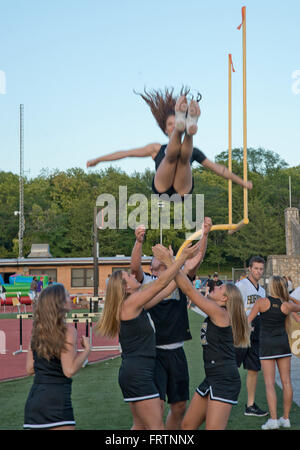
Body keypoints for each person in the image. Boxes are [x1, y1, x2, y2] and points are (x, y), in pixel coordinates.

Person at [95, 241, 200, 430]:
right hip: (138, 375)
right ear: (125, 288)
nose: (134, 274)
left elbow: (167, 287)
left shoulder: (136, 304)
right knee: (156, 429)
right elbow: (160, 282)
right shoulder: (131, 303)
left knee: (141, 426)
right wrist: (180, 258)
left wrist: (180, 267)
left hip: (136, 372)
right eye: (129, 276)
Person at [86, 87, 252, 198]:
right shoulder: (155, 148)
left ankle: (188, 131)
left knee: (184, 158)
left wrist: (242, 182)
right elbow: (125, 153)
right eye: (171, 125)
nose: (171, 127)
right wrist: (99, 159)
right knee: (170, 156)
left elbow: (219, 169)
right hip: (162, 187)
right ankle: (185, 130)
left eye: (175, 124)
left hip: (182, 189)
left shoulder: (194, 152)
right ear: (165, 130)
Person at [152, 244, 250, 430]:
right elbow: (186, 286)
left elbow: (189, 291)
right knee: (187, 427)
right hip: (211, 377)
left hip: (224, 379)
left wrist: (169, 261)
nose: (217, 286)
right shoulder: (216, 311)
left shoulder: (221, 314)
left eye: (221, 288)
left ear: (225, 300)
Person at [129, 218, 212, 429]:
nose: (159, 270)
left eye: (163, 266)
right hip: (154, 352)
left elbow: (197, 259)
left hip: (177, 351)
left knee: (179, 407)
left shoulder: (179, 277)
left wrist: (205, 234)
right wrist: (138, 242)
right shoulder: (147, 282)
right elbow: (134, 267)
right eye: (156, 267)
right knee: (154, 408)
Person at [24, 284, 91, 430]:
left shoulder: (37, 331)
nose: (70, 298)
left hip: (34, 402)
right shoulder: (67, 330)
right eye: (67, 295)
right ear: (59, 303)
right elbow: (69, 370)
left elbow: (29, 368)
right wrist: (87, 350)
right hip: (57, 400)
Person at [248, 276, 300, 429]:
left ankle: (274, 420)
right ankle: (286, 418)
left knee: (270, 384)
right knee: (287, 381)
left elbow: (248, 320)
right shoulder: (287, 305)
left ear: (271, 286)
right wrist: (289, 297)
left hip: (267, 345)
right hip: (283, 344)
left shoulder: (261, 302)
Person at [235, 256, 268, 417]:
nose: (259, 272)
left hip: (256, 335)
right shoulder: (240, 286)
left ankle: (250, 405)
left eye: (261, 269)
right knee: (230, 367)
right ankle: (218, 399)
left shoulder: (262, 290)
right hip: (241, 333)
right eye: (256, 268)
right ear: (249, 268)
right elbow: (233, 308)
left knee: (254, 369)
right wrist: (243, 324)